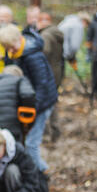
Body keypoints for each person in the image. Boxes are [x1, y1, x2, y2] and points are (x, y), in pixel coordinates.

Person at [0, 24, 56, 172]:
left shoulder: (32, 56)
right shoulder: (15, 55)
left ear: (19, 39)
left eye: (12, 47)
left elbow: (42, 85)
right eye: (7, 48)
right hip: (29, 102)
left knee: (31, 143)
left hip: (42, 102)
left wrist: (34, 109)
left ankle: (41, 172)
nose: (10, 51)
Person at [0, 65, 36, 143]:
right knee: (14, 150)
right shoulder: (19, 80)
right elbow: (28, 96)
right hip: (10, 126)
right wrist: (27, 124)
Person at [37, 11, 65, 141]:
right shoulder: (56, 33)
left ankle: (50, 130)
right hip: (57, 71)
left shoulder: (46, 35)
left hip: (48, 73)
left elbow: (45, 51)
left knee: (48, 101)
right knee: (52, 100)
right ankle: (54, 130)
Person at [58, 11, 92, 76]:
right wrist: (71, 56)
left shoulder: (69, 20)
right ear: (84, 21)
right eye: (87, 24)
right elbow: (74, 46)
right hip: (62, 53)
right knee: (59, 76)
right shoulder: (78, 26)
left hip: (57, 51)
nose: (85, 27)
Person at [0, 4, 16, 73]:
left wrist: (3, 58)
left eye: (4, 16)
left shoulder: (16, 32)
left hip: (10, 71)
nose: (1, 19)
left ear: (11, 18)